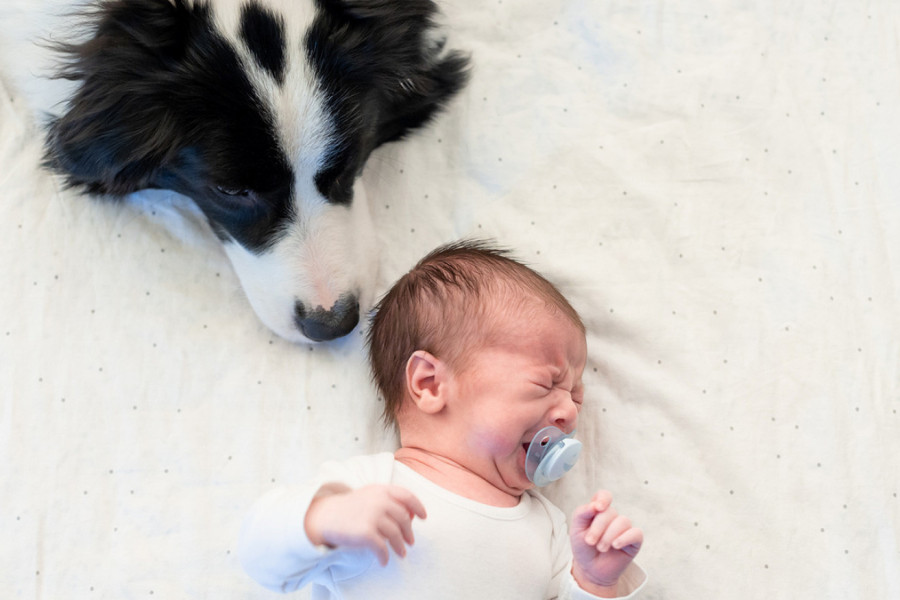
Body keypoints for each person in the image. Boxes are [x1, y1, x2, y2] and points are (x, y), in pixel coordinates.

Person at [238, 240, 647, 599]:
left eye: (576, 396)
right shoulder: (369, 488)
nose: (569, 412)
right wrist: (322, 520)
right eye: (546, 384)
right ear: (431, 384)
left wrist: (594, 583)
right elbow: (259, 554)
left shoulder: (552, 530)